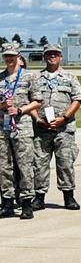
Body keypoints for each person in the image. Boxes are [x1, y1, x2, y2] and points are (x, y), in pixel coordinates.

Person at [32, 43, 81, 211]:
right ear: (44, 57)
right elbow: (29, 102)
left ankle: (68, 196)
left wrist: (64, 117)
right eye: (48, 54)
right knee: (39, 163)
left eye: (55, 54)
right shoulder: (35, 79)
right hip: (41, 129)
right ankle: (39, 197)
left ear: (60, 57)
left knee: (65, 163)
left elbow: (77, 99)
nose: (52, 57)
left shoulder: (70, 77)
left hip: (64, 129)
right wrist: (37, 119)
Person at [0, 44, 42, 220]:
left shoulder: (29, 76)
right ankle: (7, 202)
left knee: (25, 165)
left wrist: (20, 110)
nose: (8, 59)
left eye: (12, 55)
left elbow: (37, 100)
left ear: (18, 56)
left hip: (22, 126)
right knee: (4, 165)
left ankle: (26, 202)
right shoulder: (0, 78)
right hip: (2, 127)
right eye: (5, 56)